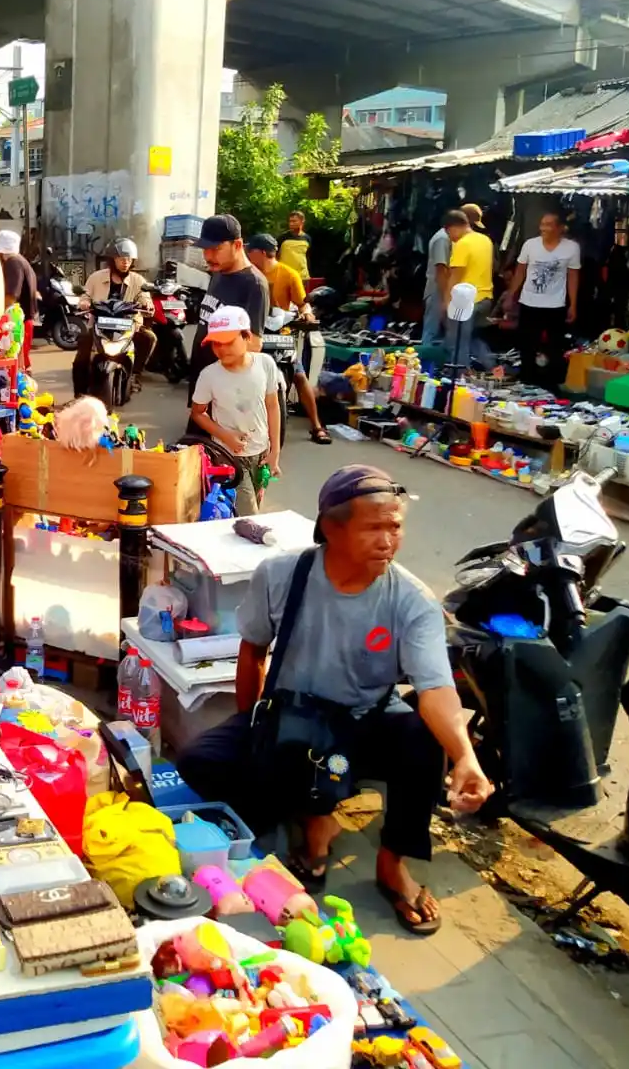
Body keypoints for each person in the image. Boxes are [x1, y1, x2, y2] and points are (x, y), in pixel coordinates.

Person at [174, 465, 493, 934]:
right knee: (200, 762)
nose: (388, 540)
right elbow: (253, 650)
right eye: (373, 527)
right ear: (330, 527)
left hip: (366, 722)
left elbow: (436, 689)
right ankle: (316, 814)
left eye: (395, 526)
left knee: (424, 739)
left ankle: (391, 862)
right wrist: (254, 729)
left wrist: (465, 758)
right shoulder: (283, 574)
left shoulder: (411, 600)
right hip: (295, 717)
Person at [188, 307, 281, 517]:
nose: (221, 349)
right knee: (250, 514)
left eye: (228, 341)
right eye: (215, 343)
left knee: (252, 502)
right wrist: (225, 436)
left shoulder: (265, 364)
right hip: (228, 455)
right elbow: (197, 413)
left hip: (261, 452)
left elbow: (272, 406)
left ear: (246, 336)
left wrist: (275, 451)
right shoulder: (209, 375)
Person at [246, 234, 330, 445]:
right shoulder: (246, 275)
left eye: (251, 251)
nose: (247, 254)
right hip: (253, 331)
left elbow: (303, 303)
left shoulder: (288, 274)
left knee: (299, 375)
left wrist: (308, 315)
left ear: (262, 252)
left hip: (279, 333)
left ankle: (317, 426)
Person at [187, 214, 269, 405]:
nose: (208, 256)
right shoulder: (219, 272)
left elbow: (254, 345)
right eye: (205, 249)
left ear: (238, 245)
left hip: (225, 394)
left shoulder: (254, 285)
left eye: (215, 249)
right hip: (203, 386)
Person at [509, 211, 580, 390]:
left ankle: (551, 382)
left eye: (549, 225)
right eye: (542, 224)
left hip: (556, 305)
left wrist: (573, 304)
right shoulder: (530, 245)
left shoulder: (571, 248)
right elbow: (520, 272)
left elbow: (573, 276)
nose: (544, 228)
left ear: (560, 228)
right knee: (527, 344)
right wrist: (511, 295)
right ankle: (527, 379)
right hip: (529, 302)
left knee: (555, 346)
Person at [75, 237, 155, 396]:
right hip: (100, 325)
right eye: (121, 258)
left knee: (149, 338)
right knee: (81, 357)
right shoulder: (96, 277)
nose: (125, 262)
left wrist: (147, 305)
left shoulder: (138, 280)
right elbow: (85, 295)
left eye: (129, 259)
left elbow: (145, 297)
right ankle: (79, 394)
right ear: (112, 259)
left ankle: (134, 375)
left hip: (128, 325)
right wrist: (84, 303)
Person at [444, 208, 496, 369]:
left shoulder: (462, 244)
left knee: (458, 342)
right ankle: (492, 368)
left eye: (449, 233)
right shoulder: (485, 240)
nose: (450, 238)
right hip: (486, 298)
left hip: (466, 302)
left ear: (452, 227)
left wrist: (447, 302)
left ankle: (460, 377)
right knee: (473, 337)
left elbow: (455, 276)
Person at [0, 229, 38, 366]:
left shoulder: (13, 263)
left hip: (17, 324)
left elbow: (11, 295)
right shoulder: (23, 262)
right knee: (21, 364)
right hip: (25, 322)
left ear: (1, 252)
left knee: (15, 365)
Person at [422, 219, 452, 349]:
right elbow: (441, 269)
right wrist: (445, 297)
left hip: (442, 289)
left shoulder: (445, 238)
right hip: (438, 289)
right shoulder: (442, 239)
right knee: (432, 330)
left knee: (441, 331)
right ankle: (424, 362)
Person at [277, 210, 312, 279]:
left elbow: (307, 257)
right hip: (285, 276)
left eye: (294, 221)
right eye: (290, 221)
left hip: (302, 276)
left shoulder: (307, 238)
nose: (291, 223)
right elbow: (275, 256)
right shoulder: (283, 238)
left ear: (302, 221)